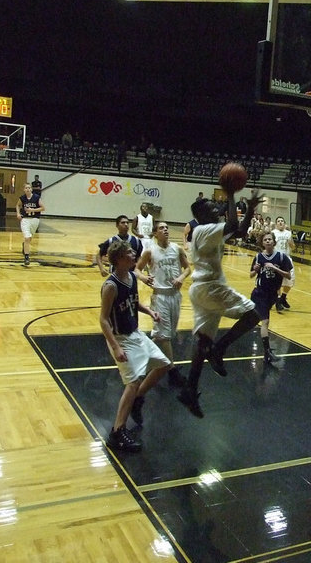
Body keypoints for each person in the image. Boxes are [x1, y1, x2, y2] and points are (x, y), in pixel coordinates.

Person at [177, 189, 264, 418]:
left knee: (203, 340)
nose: (217, 210)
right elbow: (233, 224)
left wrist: (251, 209)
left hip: (201, 290)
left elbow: (241, 230)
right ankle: (220, 348)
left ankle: (190, 389)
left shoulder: (210, 231)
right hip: (211, 286)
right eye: (211, 208)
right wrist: (231, 193)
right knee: (254, 314)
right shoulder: (204, 230)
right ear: (201, 216)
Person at [99, 241, 175, 452]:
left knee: (164, 365)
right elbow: (104, 320)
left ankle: (138, 398)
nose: (135, 254)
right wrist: (115, 347)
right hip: (120, 337)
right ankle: (117, 432)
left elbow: (133, 302)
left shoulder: (132, 277)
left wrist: (149, 311)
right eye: (130, 253)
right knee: (132, 382)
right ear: (121, 259)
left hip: (135, 333)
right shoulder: (111, 286)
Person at [136, 220, 191, 387]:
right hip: (160, 297)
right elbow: (136, 269)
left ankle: (148, 358)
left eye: (167, 227)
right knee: (164, 335)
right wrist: (144, 277)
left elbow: (188, 268)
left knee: (167, 335)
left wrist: (181, 278)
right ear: (155, 233)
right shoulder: (150, 251)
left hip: (175, 296)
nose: (165, 230)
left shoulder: (177, 249)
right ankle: (172, 371)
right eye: (161, 228)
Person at [250, 231, 293, 365]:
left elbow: (288, 276)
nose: (268, 241)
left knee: (260, 321)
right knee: (265, 322)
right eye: (265, 240)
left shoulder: (281, 257)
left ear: (274, 242)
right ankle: (267, 352)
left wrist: (275, 269)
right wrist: (256, 270)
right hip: (260, 293)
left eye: (270, 239)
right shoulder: (258, 257)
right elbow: (251, 275)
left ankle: (266, 352)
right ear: (262, 243)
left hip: (272, 294)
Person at [15, 182, 44, 266]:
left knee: (29, 238)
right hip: (25, 220)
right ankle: (27, 257)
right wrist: (18, 213)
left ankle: (24, 245)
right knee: (27, 238)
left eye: (29, 188)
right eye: (26, 188)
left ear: (31, 189)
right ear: (24, 190)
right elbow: (17, 205)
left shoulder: (36, 197)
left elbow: (43, 208)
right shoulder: (22, 198)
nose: (28, 189)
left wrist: (32, 210)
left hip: (35, 219)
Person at [272, 216, 296, 311]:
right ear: (276, 224)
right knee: (277, 281)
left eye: (282, 221)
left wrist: (290, 243)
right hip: (277, 259)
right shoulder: (273, 233)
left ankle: (283, 297)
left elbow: (293, 247)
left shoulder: (288, 233)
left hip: (287, 258)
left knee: (290, 281)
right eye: (278, 221)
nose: (280, 222)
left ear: (284, 223)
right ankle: (278, 301)